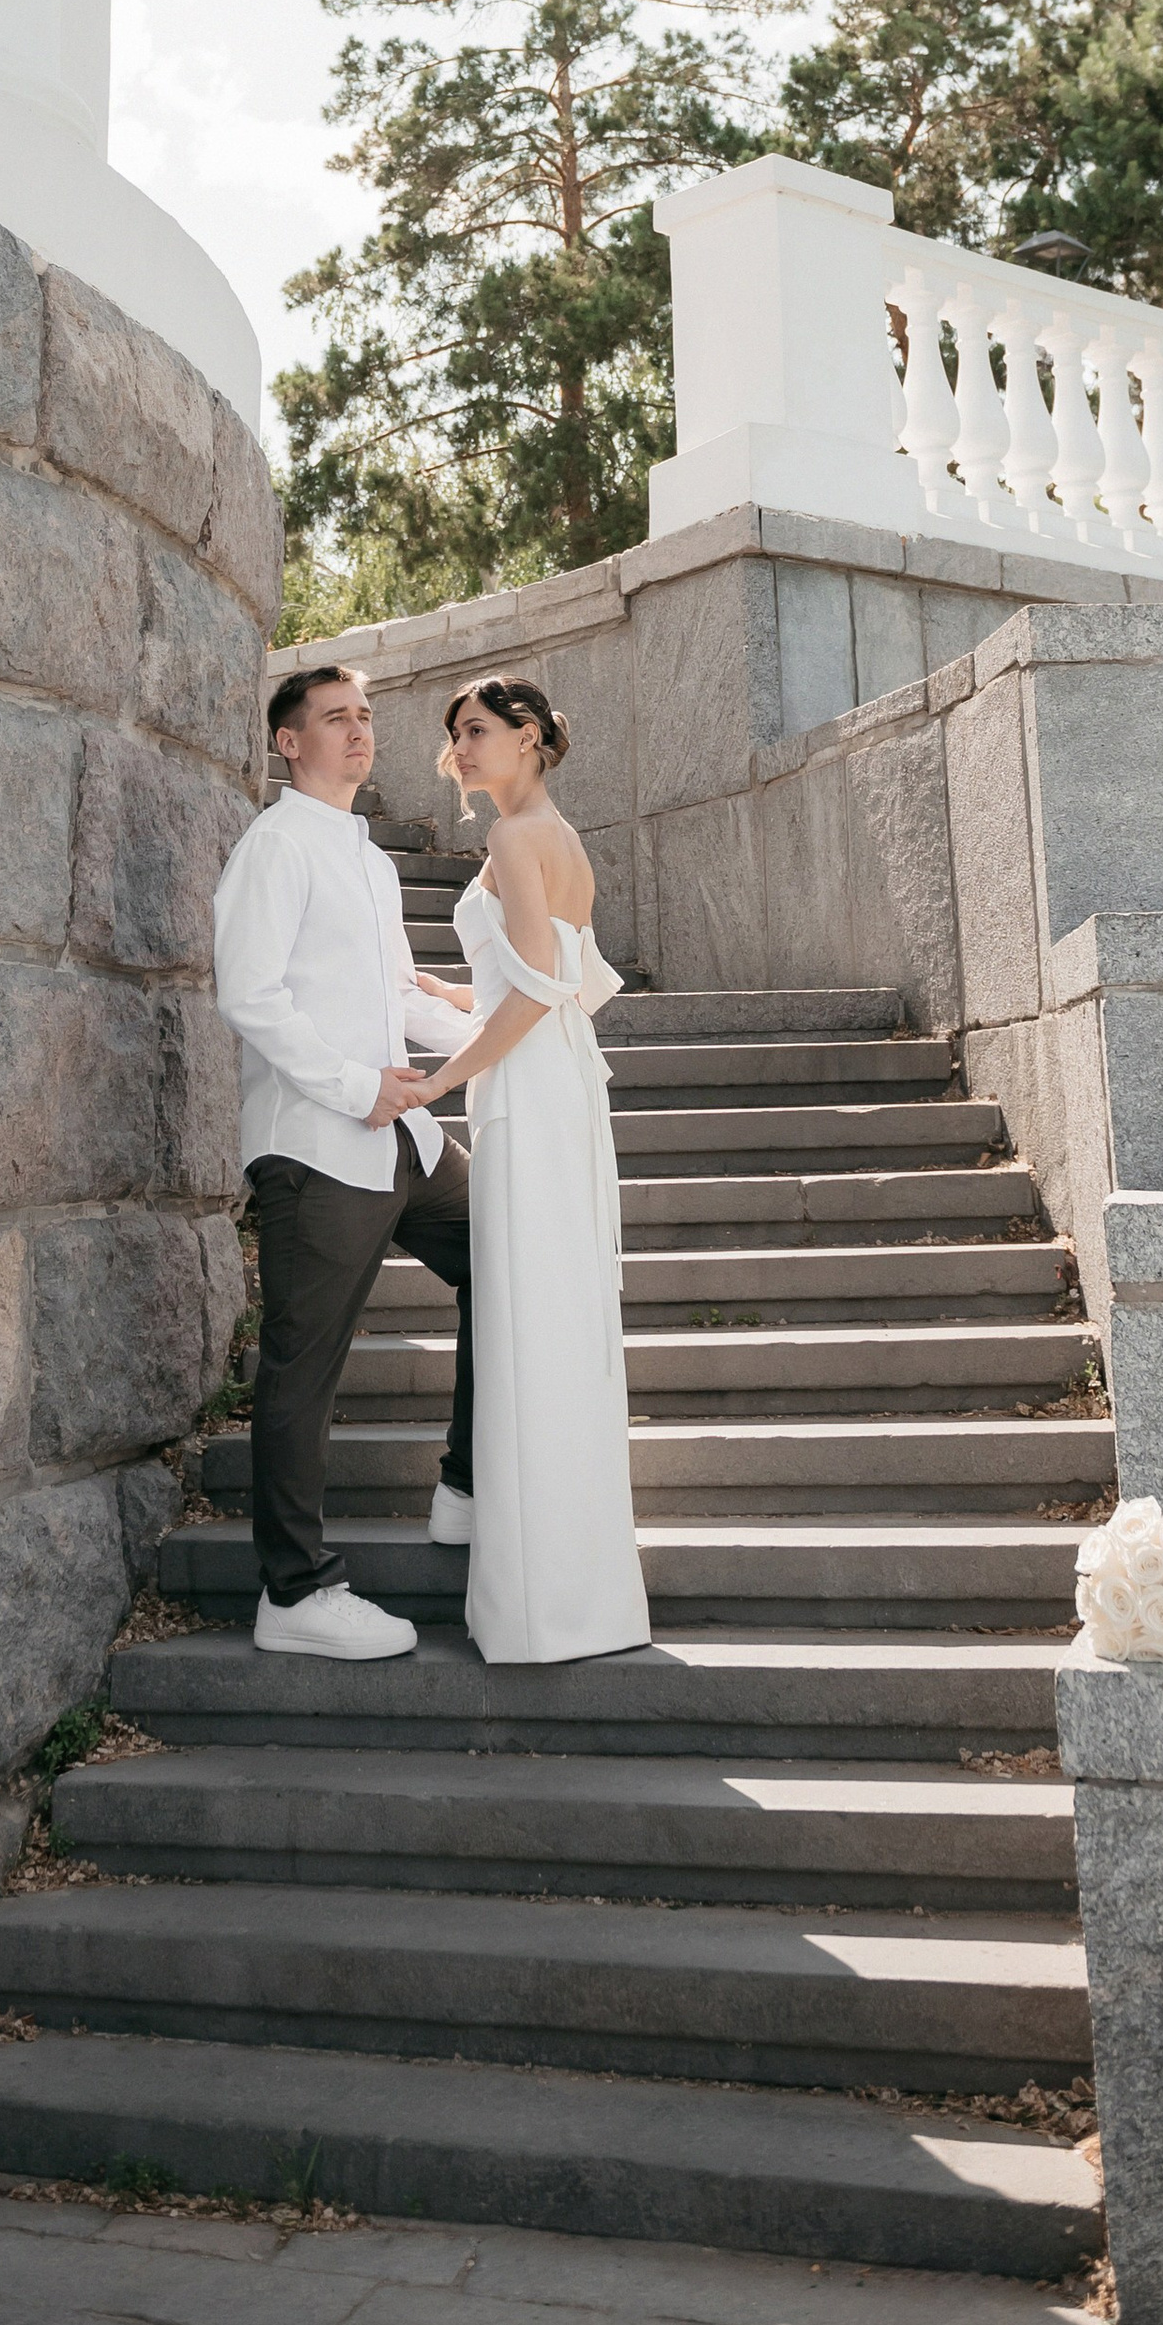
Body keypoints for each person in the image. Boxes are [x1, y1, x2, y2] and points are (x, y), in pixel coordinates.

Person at [212, 662, 479, 1659]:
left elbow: (383, 988)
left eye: (364, 716)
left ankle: (465, 1482)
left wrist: (487, 1013)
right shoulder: (275, 846)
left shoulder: (364, 854)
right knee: (301, 1372)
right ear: (289, 742)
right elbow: (250, 994)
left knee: (509, 1257)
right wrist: (353, 1085)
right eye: (335, 719)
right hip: (318, 1145)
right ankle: (294, 1592)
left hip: (403, 1139)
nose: (359, 731)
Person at [381, 675, 650, 1665]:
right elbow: (556, 976)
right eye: (455, 733)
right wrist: (433, 985)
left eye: (479, 729)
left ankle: (543, 1601)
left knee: (529, 1319)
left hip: (530, 1096)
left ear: (531, 736)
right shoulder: (557, 834)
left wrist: (437, 1080)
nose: (461, 745)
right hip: (554, 1085)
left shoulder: (510, 837)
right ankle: (573, 1591)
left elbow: (538, 991)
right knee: (545, 1317)